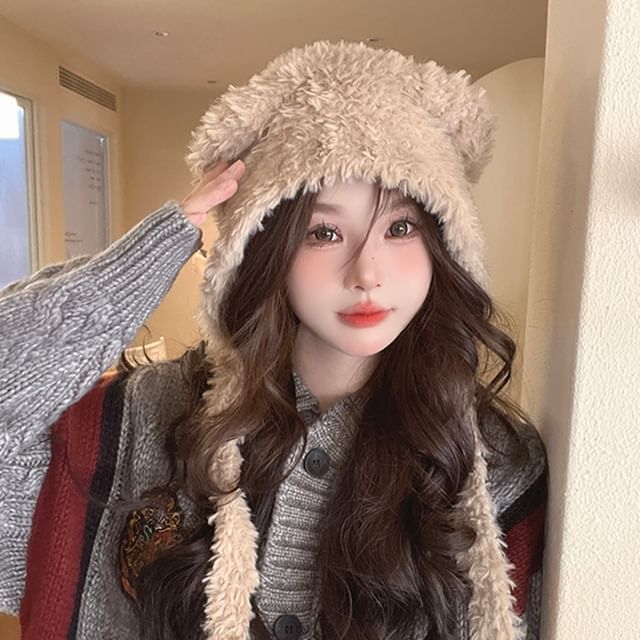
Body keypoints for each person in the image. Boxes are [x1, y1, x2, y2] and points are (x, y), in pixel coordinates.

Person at [0, 40, 548, 640]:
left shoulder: (489, 460)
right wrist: (147, 256)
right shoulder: (145, 418)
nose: (367, 273)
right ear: (265, 251)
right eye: (324, 233)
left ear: (444, 245)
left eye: (400, 226)